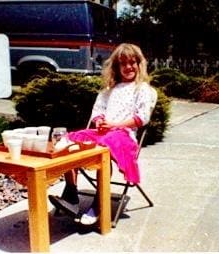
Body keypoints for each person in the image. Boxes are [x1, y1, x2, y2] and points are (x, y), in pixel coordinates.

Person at [48, 43, 158, 225]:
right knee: (70, 139)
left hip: (123, 135)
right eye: (123, 63)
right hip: (103, 133)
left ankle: (99, 203)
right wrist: (100, 121)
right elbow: (98, 111)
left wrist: (114, 125)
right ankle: (71, 193)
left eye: (133, 62)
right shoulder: (110, 90)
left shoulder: (143, 89)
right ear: (116, 67)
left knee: (104, 144)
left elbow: (141, 118)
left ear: (139, 65)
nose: (129, 67)